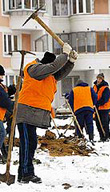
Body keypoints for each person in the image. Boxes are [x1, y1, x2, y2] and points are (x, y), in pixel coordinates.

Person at [16, 43, 77, 184]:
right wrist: (64, 55)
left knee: (31, 143)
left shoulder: (48, 75)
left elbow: (59, 73)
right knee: (27, 143)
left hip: (33, 112)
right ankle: (25, 173)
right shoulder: (34, 69)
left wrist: (70, 62)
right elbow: (54, 67)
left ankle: (25, 173)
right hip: (26, 111)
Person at [93, 73, 110, 142]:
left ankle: (107, 136)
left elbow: (105, 99)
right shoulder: (94, 87)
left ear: (102, 79)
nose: (98, 80)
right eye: (98, 78)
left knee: (104, 123)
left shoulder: (105, 88)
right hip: (97, 108)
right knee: (98, 123)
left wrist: (97, 103)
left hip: (104, 108)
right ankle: (101, 136)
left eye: (100, 79)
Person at [0, 65, 12, 164]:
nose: (2, 78)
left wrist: (11, 90)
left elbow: (5, 94)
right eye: (1, 76)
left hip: (1, 115)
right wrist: (12, 106)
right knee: (2, 133)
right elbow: (5, 101)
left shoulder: (1, 87)